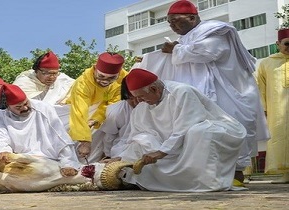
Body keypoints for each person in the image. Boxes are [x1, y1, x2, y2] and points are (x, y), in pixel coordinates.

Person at [157, 0, 269, 184]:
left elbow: (209, 52)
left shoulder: (214, 30)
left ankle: (237, 174)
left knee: (232, 127)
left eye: (176, 20)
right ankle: (211, 175)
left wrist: (176, 49)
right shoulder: (188, 37)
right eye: (170, 23)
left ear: (192, 17)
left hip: (228, 91)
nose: (173, 26)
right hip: (207, 92)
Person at [118, 68, 246, 192]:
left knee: (200, 132)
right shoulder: (143, 106)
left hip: (211, 131)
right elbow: (138, 134)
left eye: (141, 97)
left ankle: (208, 182)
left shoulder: (182, 92)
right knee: (142, 141)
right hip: (171, 144)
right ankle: (162, 181)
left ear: (154, 89)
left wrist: (161, 152)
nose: (139, 101)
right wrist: (121, 157)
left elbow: (186, 126)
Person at [0, 84, 82, 177]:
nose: (25, 108)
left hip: (46, 160)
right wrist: (4, 152)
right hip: (16, 159)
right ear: (7, 107)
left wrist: (68, 163)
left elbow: (60, 138)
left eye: (26, 103)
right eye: (18, 107)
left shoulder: (43, 108)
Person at [66, 52, 128, 162]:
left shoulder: (124, 80)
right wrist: (85, 141)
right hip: (77, 116)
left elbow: (113, 104)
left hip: (101, 117)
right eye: (101, 76)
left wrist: (96, 119)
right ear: (95, 69)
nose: (105, 81)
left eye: (111, 78)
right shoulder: (82, 83)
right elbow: (79, 112)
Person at [256, 28, 289, 183]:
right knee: (278, 139)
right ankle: (283, 173)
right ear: (278, 44)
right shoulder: (267, 63)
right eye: (287, 44)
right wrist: (263, 109)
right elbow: (260, 87)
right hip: (277, 111)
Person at [95, 77, 139, 161]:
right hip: (122, 150)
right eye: (131, 98)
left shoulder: (151, 105)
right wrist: (108, 155)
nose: (136, 102)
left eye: (138, 97)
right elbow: (109, 136)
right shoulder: (115, 111)